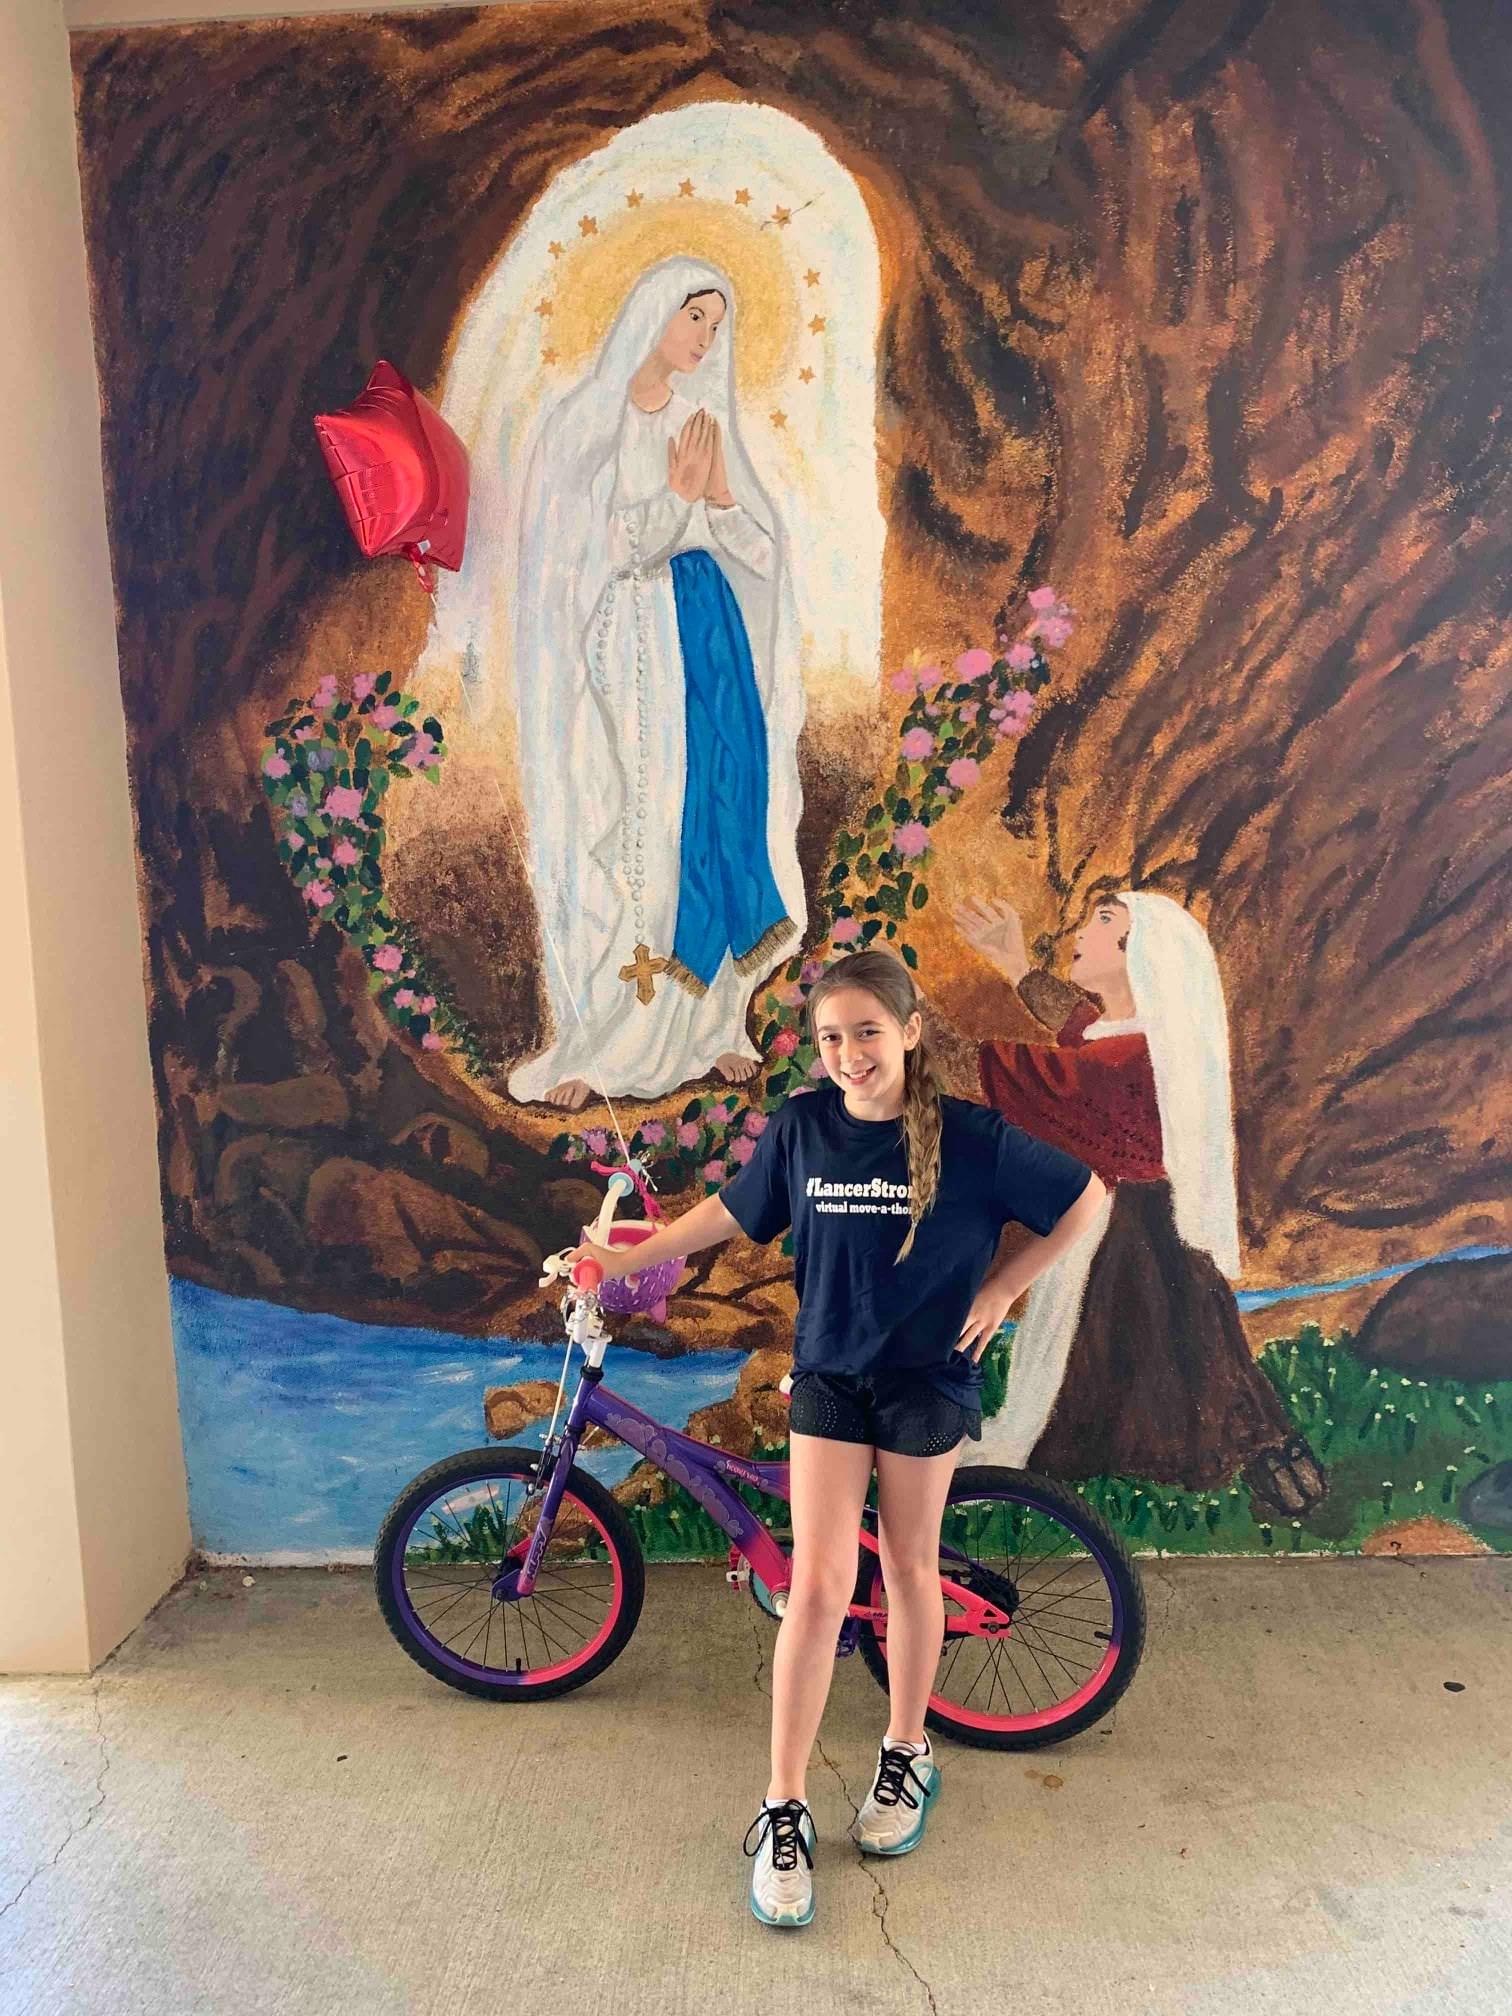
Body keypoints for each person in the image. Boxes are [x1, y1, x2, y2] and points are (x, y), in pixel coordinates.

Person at [567, 949, 1103, 1928]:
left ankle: (907, 1753)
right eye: (829, 1038)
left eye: (866, 1032)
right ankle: (784, 1806)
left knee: (906, 1570)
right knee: (815, 1586)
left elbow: (1087, 1197)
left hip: (926, 1380)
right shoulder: (803, 1126)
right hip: (829, 1377)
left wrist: (1003, 1286)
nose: (849, 1053)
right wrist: (626, 1254)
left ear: (908, 1032)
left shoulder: (973, 1137)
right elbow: (730, 1212)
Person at [497, 256, 806, 1108]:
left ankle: (710, 1028)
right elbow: (592, 554)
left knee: (717, 807)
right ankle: (609, 1040)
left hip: (708, 643)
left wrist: (719, 502)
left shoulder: (699, 421)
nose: (706, 336)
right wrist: (676, 501)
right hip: (631, 650)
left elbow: (761, 556)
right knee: (646, 822)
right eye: (694, 315)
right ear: (651, 313)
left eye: (716, 322)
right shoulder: (585, 425)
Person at [954, 888, 1327, 1516]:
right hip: (1147, 1222)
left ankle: (1081, 1454)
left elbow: (1023, 1072)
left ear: (1140, 953)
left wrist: (901, 1032)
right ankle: (1256, 1457)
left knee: (1099, 1352)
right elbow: (1080, 1028)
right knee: (1182, 1354)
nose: (1080, 931)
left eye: (1103, 921)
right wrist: (1016, 966)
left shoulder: (1128, 1056)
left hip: (1121, 1233)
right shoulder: (1146, 1037)